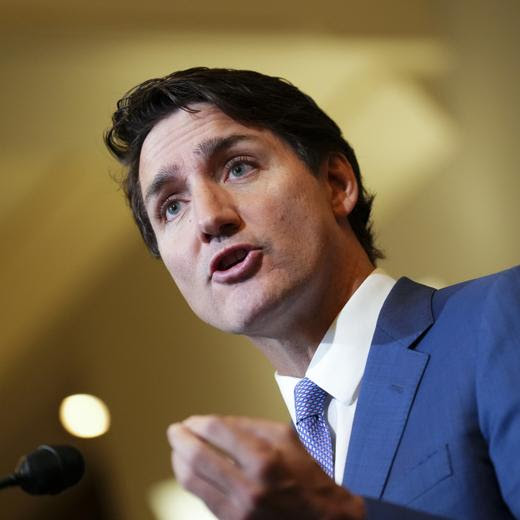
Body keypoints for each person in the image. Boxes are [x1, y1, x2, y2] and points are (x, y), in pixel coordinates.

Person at [105, 67, 520, 519]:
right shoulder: (276, 482)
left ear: (336, 184)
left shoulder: (499, 317)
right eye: (172, 206)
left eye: (237, 167)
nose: (208, 217)